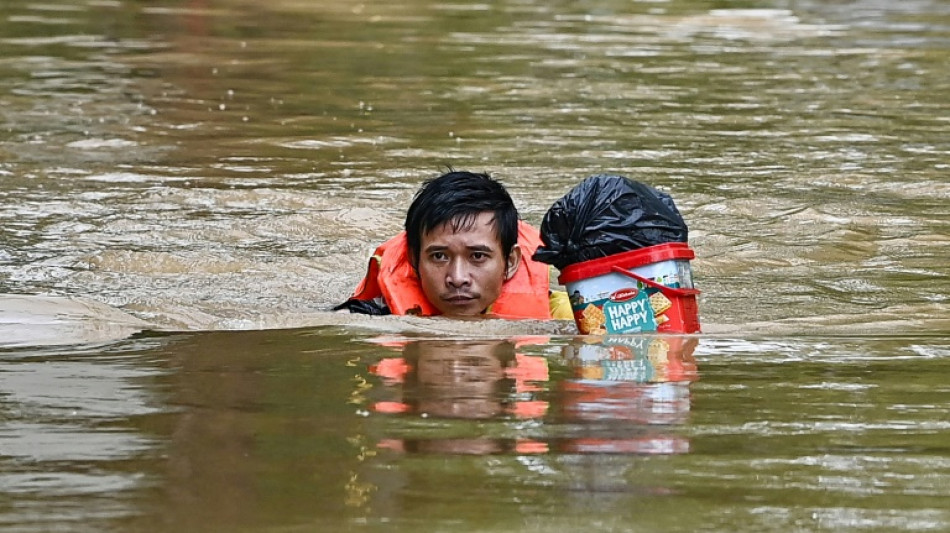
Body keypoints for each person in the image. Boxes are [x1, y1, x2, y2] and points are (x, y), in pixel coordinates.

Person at [335, 170, 570, 319]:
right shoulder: (369, 317)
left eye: (477, 256)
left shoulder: (565, 316)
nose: (457, 278)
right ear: (415, 261)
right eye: (439, 256)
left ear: (510, 262)